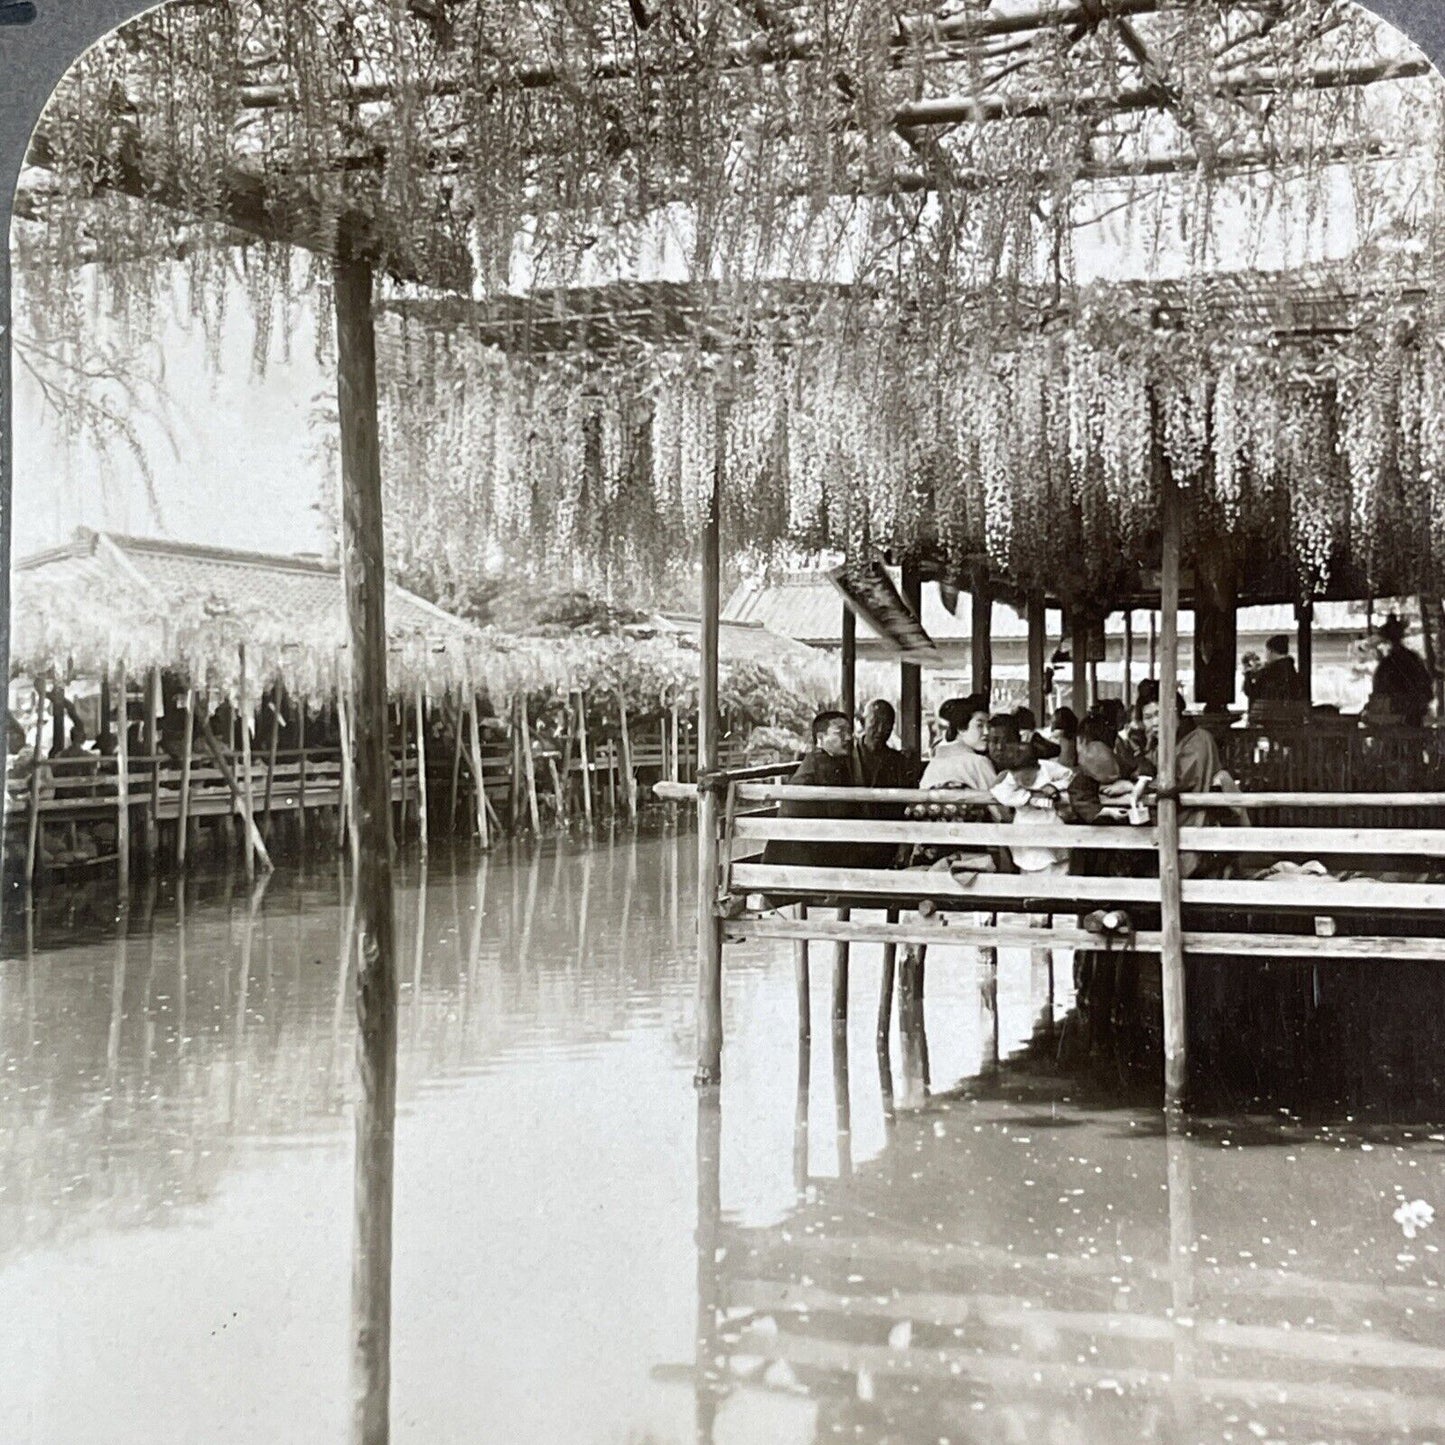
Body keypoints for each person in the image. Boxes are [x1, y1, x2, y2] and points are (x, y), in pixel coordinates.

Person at [761, 710, 857, 868]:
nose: (848, 737)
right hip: (796, 858)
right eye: (840, 732)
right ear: (820, 738)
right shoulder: (819, 765)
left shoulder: (831, 762)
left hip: (810, 849)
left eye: (849, 732)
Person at [1367, 614, 1434, 728]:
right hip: (1409, 713)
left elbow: (1379, 690)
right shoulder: (1411, 658)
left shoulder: (1388, 663)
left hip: (1398, 715)